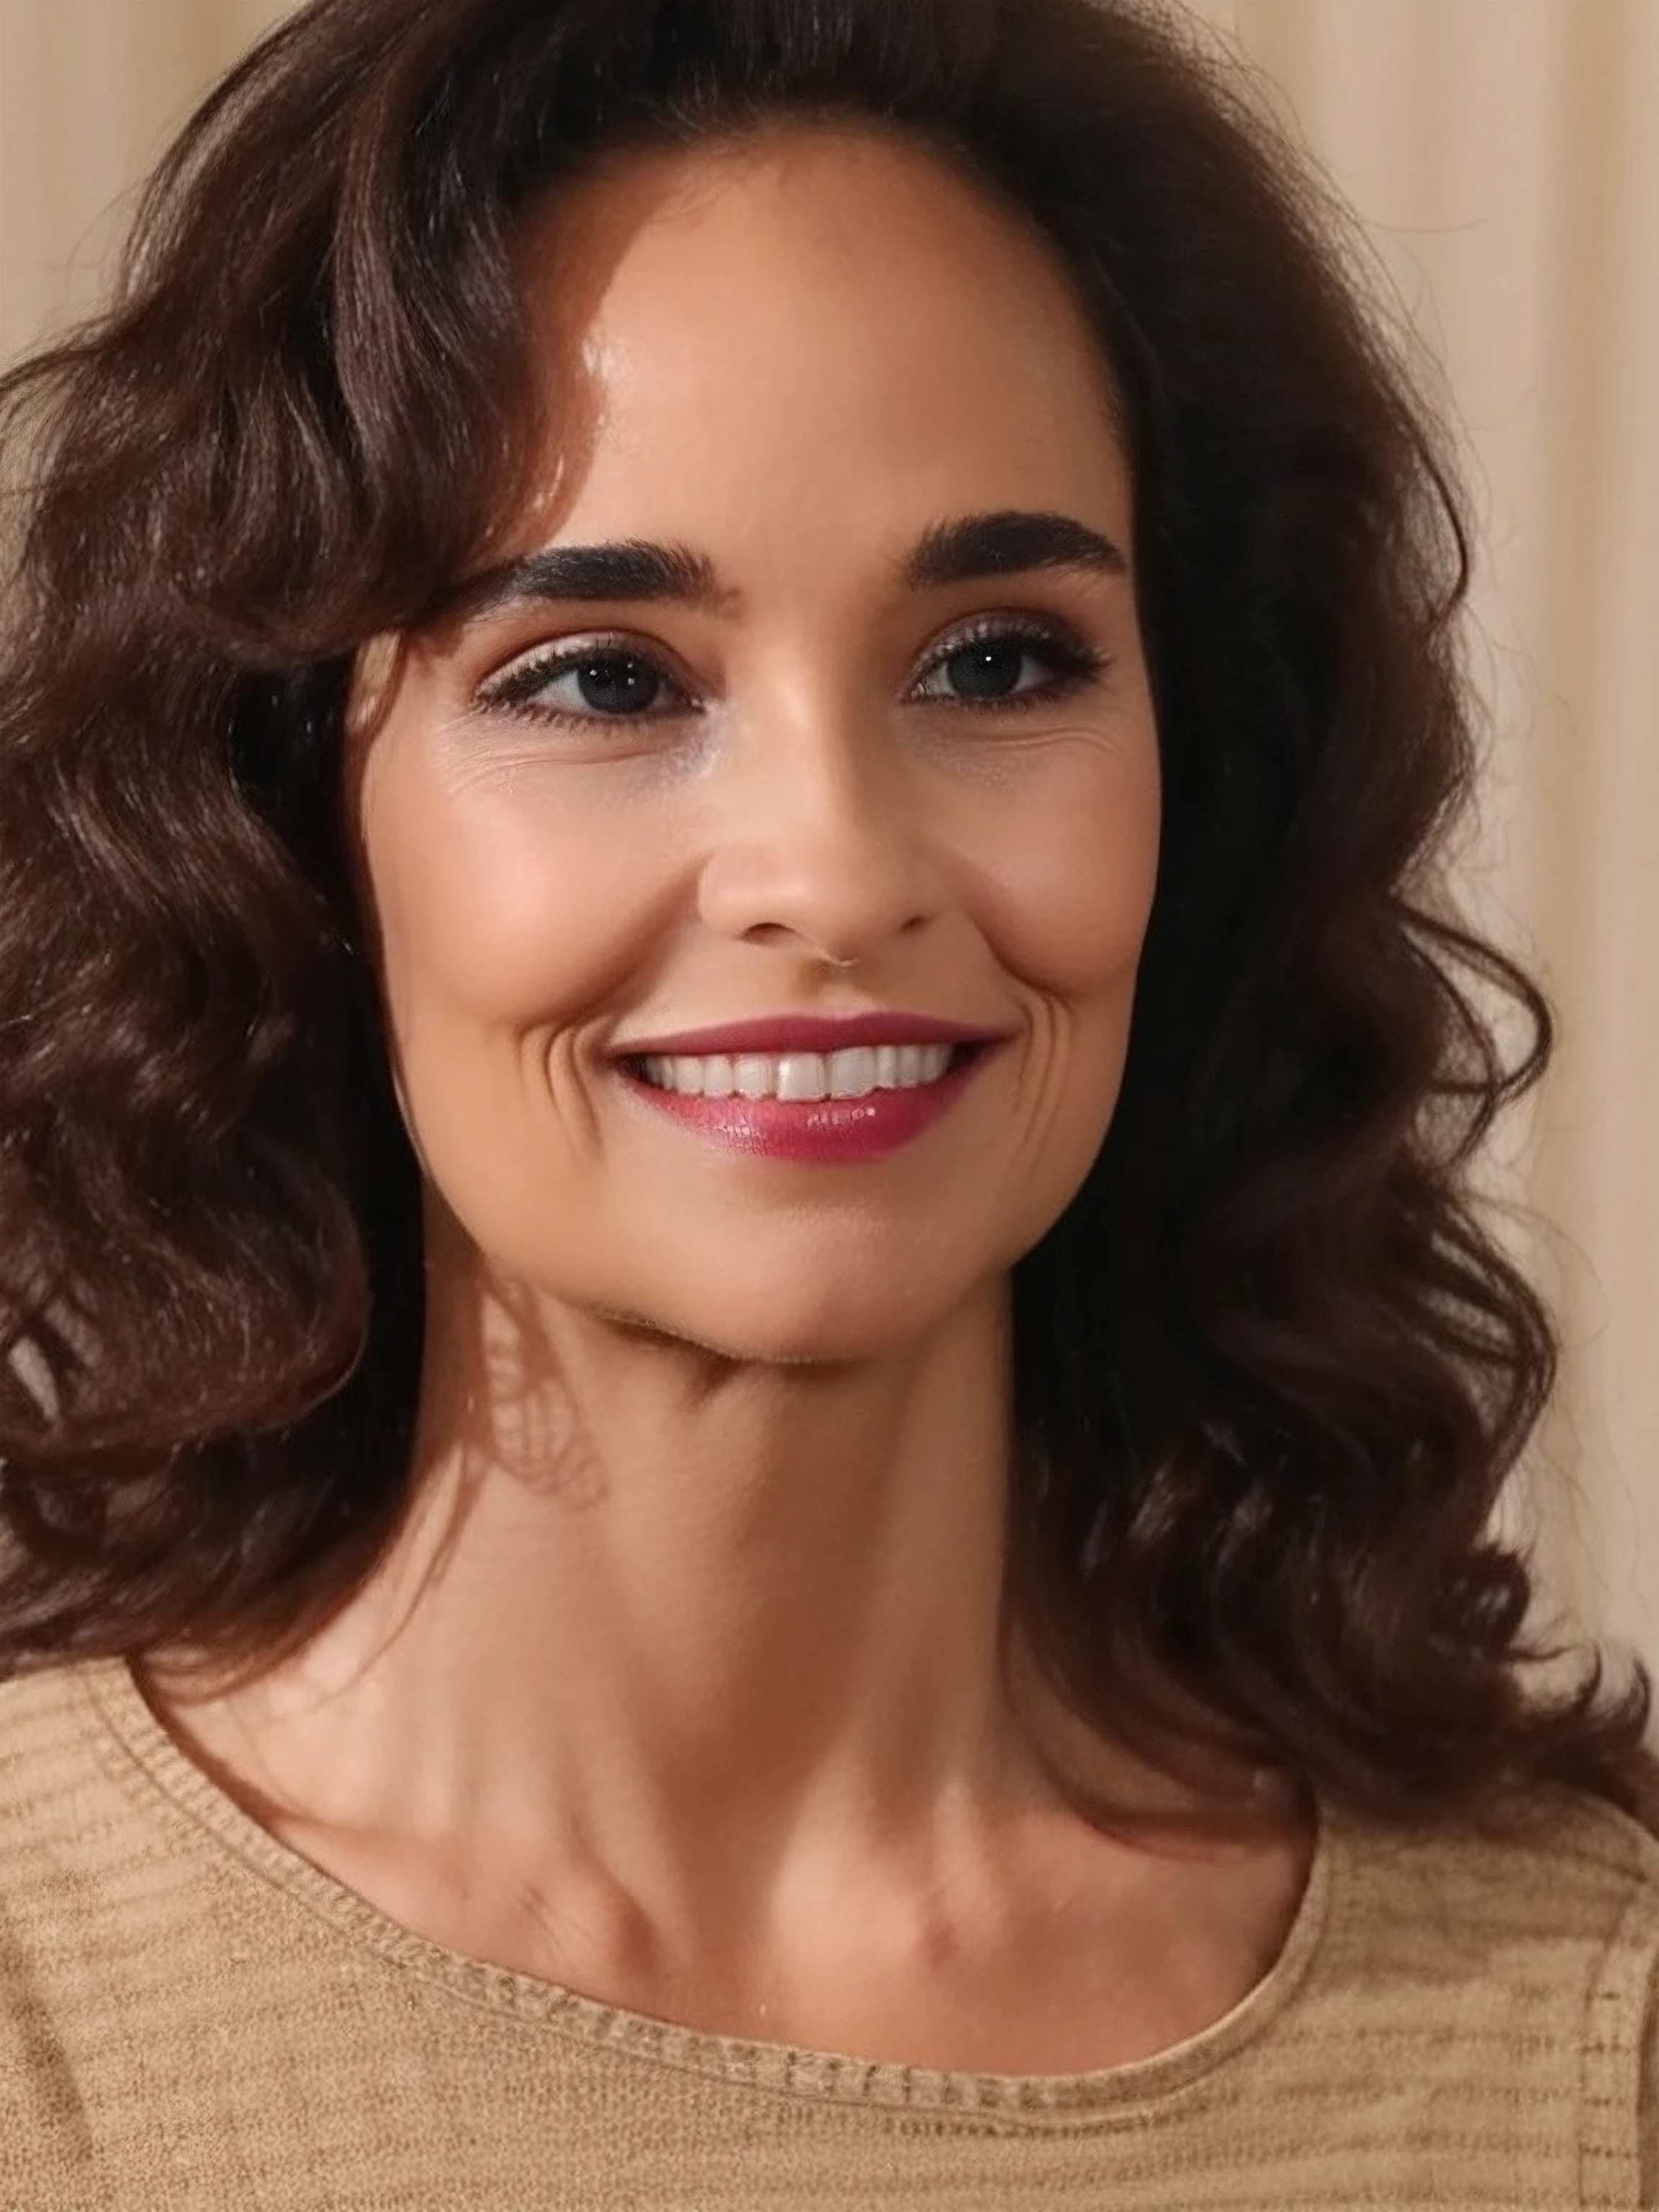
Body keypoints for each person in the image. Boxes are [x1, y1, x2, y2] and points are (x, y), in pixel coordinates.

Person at [0, 0, 1655, 2203]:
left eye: (999, 661)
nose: (842, 872)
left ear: (1207, 777)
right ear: (290, 814)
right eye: (601, 678)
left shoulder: (1585, 2036)